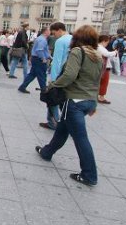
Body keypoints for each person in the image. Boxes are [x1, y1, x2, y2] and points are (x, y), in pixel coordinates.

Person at [35, 25, 103, 186]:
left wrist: (53, 85)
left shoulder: (78, 52)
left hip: (75, 101)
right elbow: (96, 81)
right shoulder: (97, 56)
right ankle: (46, 152)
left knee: (80, 138)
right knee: (62, 129)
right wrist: (94, 103)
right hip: (88, 101)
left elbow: (69, 75)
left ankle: (89, 175)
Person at [41, 22, 70, 130]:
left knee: (53, 98)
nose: (54, 36)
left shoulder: (60, 41)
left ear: (59, 30)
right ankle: (52, 122)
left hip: (59, 74)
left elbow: (57, 61)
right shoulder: (72, 38)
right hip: (68, 74)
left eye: (54, 33)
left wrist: (53, 80)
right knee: (60, 100)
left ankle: (54, 123)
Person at [18, 26, 50, 94]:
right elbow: (39, 50)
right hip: (39, 59)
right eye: (49, 31)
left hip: (36, 59)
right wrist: (43, 58)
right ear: (46, 32)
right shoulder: (42, 40)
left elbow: (40, 50)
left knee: (32, 74)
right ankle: (44, 89)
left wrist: (49, 56)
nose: (50, 32)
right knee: (41, 74)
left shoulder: (39, 38)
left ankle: (22, 87)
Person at [97, 35, 117, 104]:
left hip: (102, 66)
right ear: (103, 41)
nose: (107, 44)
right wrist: (115, 52)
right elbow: (106, 54)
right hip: (104, 67)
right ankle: (101, 97)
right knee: (104, 82)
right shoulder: (100, 47)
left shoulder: (98, 47)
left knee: (101, 82)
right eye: (107, 42)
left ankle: (99, 96)